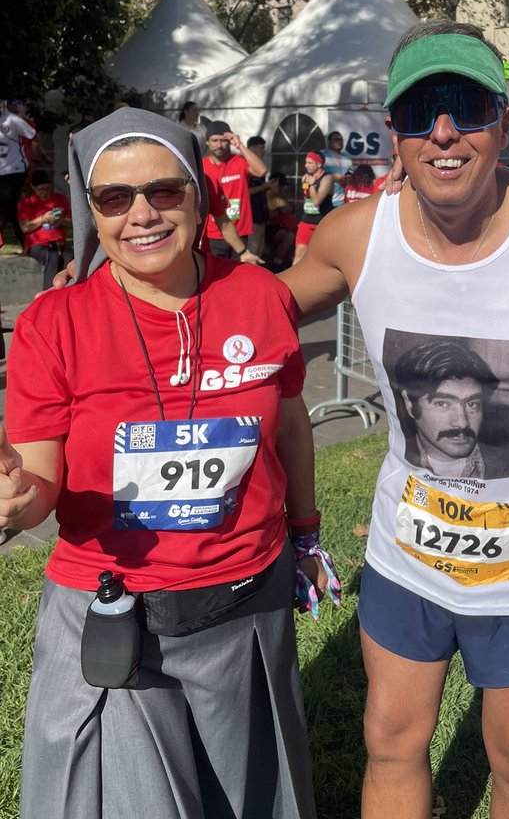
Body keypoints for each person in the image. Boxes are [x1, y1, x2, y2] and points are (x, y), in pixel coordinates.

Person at [279, 20, 509, 819]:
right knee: (389, 738)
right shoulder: (354, 236)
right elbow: (245, 321)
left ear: (503, 122)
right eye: (421, 112)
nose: (444, 133)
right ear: (395, 132)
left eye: (466, 107)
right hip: (408, 556)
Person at [0, 107, 336, 819]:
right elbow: (36, 481)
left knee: (250, 799)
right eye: (115, 199)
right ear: (90, 211)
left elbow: (292, 423)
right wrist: (13, 501)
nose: (142, 215)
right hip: (111, 614)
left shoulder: (259, 297)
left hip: (245, 601)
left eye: (164, 191)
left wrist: (306, 531)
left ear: (199, 194)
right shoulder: (53, 324)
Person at [392, 337, 509, 478]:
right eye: (442, 403)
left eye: (472, 404)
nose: (462, 423)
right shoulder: (398, 465)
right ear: (409, 404)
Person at [202, 120, 268, 260]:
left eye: (223, 140)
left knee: (239, 276)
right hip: (214, 234)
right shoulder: (202, 166)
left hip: (240, 232)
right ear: (207, 142)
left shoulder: (239, 161)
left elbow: (261, 170)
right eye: (214, 140)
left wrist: (240, 145)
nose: (219, 145)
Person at [17, 169, 72, 290]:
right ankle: (48, 293)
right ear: (33, 188)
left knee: (70, 257)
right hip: (37, 244)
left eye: (47, 189)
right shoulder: (27, 203)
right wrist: (43, 219)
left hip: (59, 242)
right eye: (40, 190)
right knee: (52, 257)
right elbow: (25, 227)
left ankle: (70, 291)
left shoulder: (60, 198)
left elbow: (72, 222)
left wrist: (61, 221)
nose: (44, 193)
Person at [0, 97, 36, 242]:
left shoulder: (11, 120)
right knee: (10, 208)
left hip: (15, 170)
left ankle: (25, 243)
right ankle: (25, 242)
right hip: (1, 172)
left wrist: (34, 159)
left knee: (6, 206)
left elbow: (33, 136)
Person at [292, 152, 334, 265]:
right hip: (307, 221)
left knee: (322, 257)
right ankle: (293, 281)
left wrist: (312, 184)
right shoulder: (305, 178)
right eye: (306, 163)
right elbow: (306, 200)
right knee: (299, 253)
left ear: (319, 164)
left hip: (321, 223)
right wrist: (299, 219)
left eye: (310, 163)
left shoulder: (327, 178)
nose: (306, 165)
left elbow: (316, 201)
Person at [246, 134, 270, 257]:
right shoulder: (245, 167)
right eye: (261, 147)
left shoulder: (260, 167)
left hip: (261, 214)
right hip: (251, 215)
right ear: (252, 148)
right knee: (252, 250)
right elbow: (246, 191)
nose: (264, 151)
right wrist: (265, 186)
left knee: (259, 250)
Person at [322, 131, 353, 207]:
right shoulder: (322, 155)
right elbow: (316, 174)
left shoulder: (347, 157)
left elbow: (351, 173)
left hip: (343, 200)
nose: (339, 141)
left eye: (340, 139)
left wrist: (348, 178)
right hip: (326, 199)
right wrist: (333, 177)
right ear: (329, 142)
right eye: (336, 139)